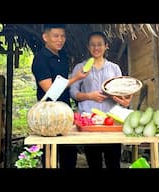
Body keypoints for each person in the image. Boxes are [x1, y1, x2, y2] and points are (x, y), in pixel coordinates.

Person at [70, 31, 132, 168]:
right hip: (89, 122)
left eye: (99, 44)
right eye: (92, 45)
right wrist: (89, 96)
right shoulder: (80, 68)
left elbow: (120, 91)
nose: (96, 48)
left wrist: (119, 96)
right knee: (94, 162)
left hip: (111, 121)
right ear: (88, 46)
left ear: (106, 46)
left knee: (113, 162)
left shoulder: (114, 68)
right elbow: (73, 92)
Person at [31, 24, 89, 169]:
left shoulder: (62, 55)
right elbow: (50, 90)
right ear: (45, 37)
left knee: (69, 152)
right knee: (50, 153)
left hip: (64, 109)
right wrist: (76, 78)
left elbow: (64, 82)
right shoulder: (40, 59)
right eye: (56, 36)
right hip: (48, 113)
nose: (60, 40)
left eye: (62, 36)